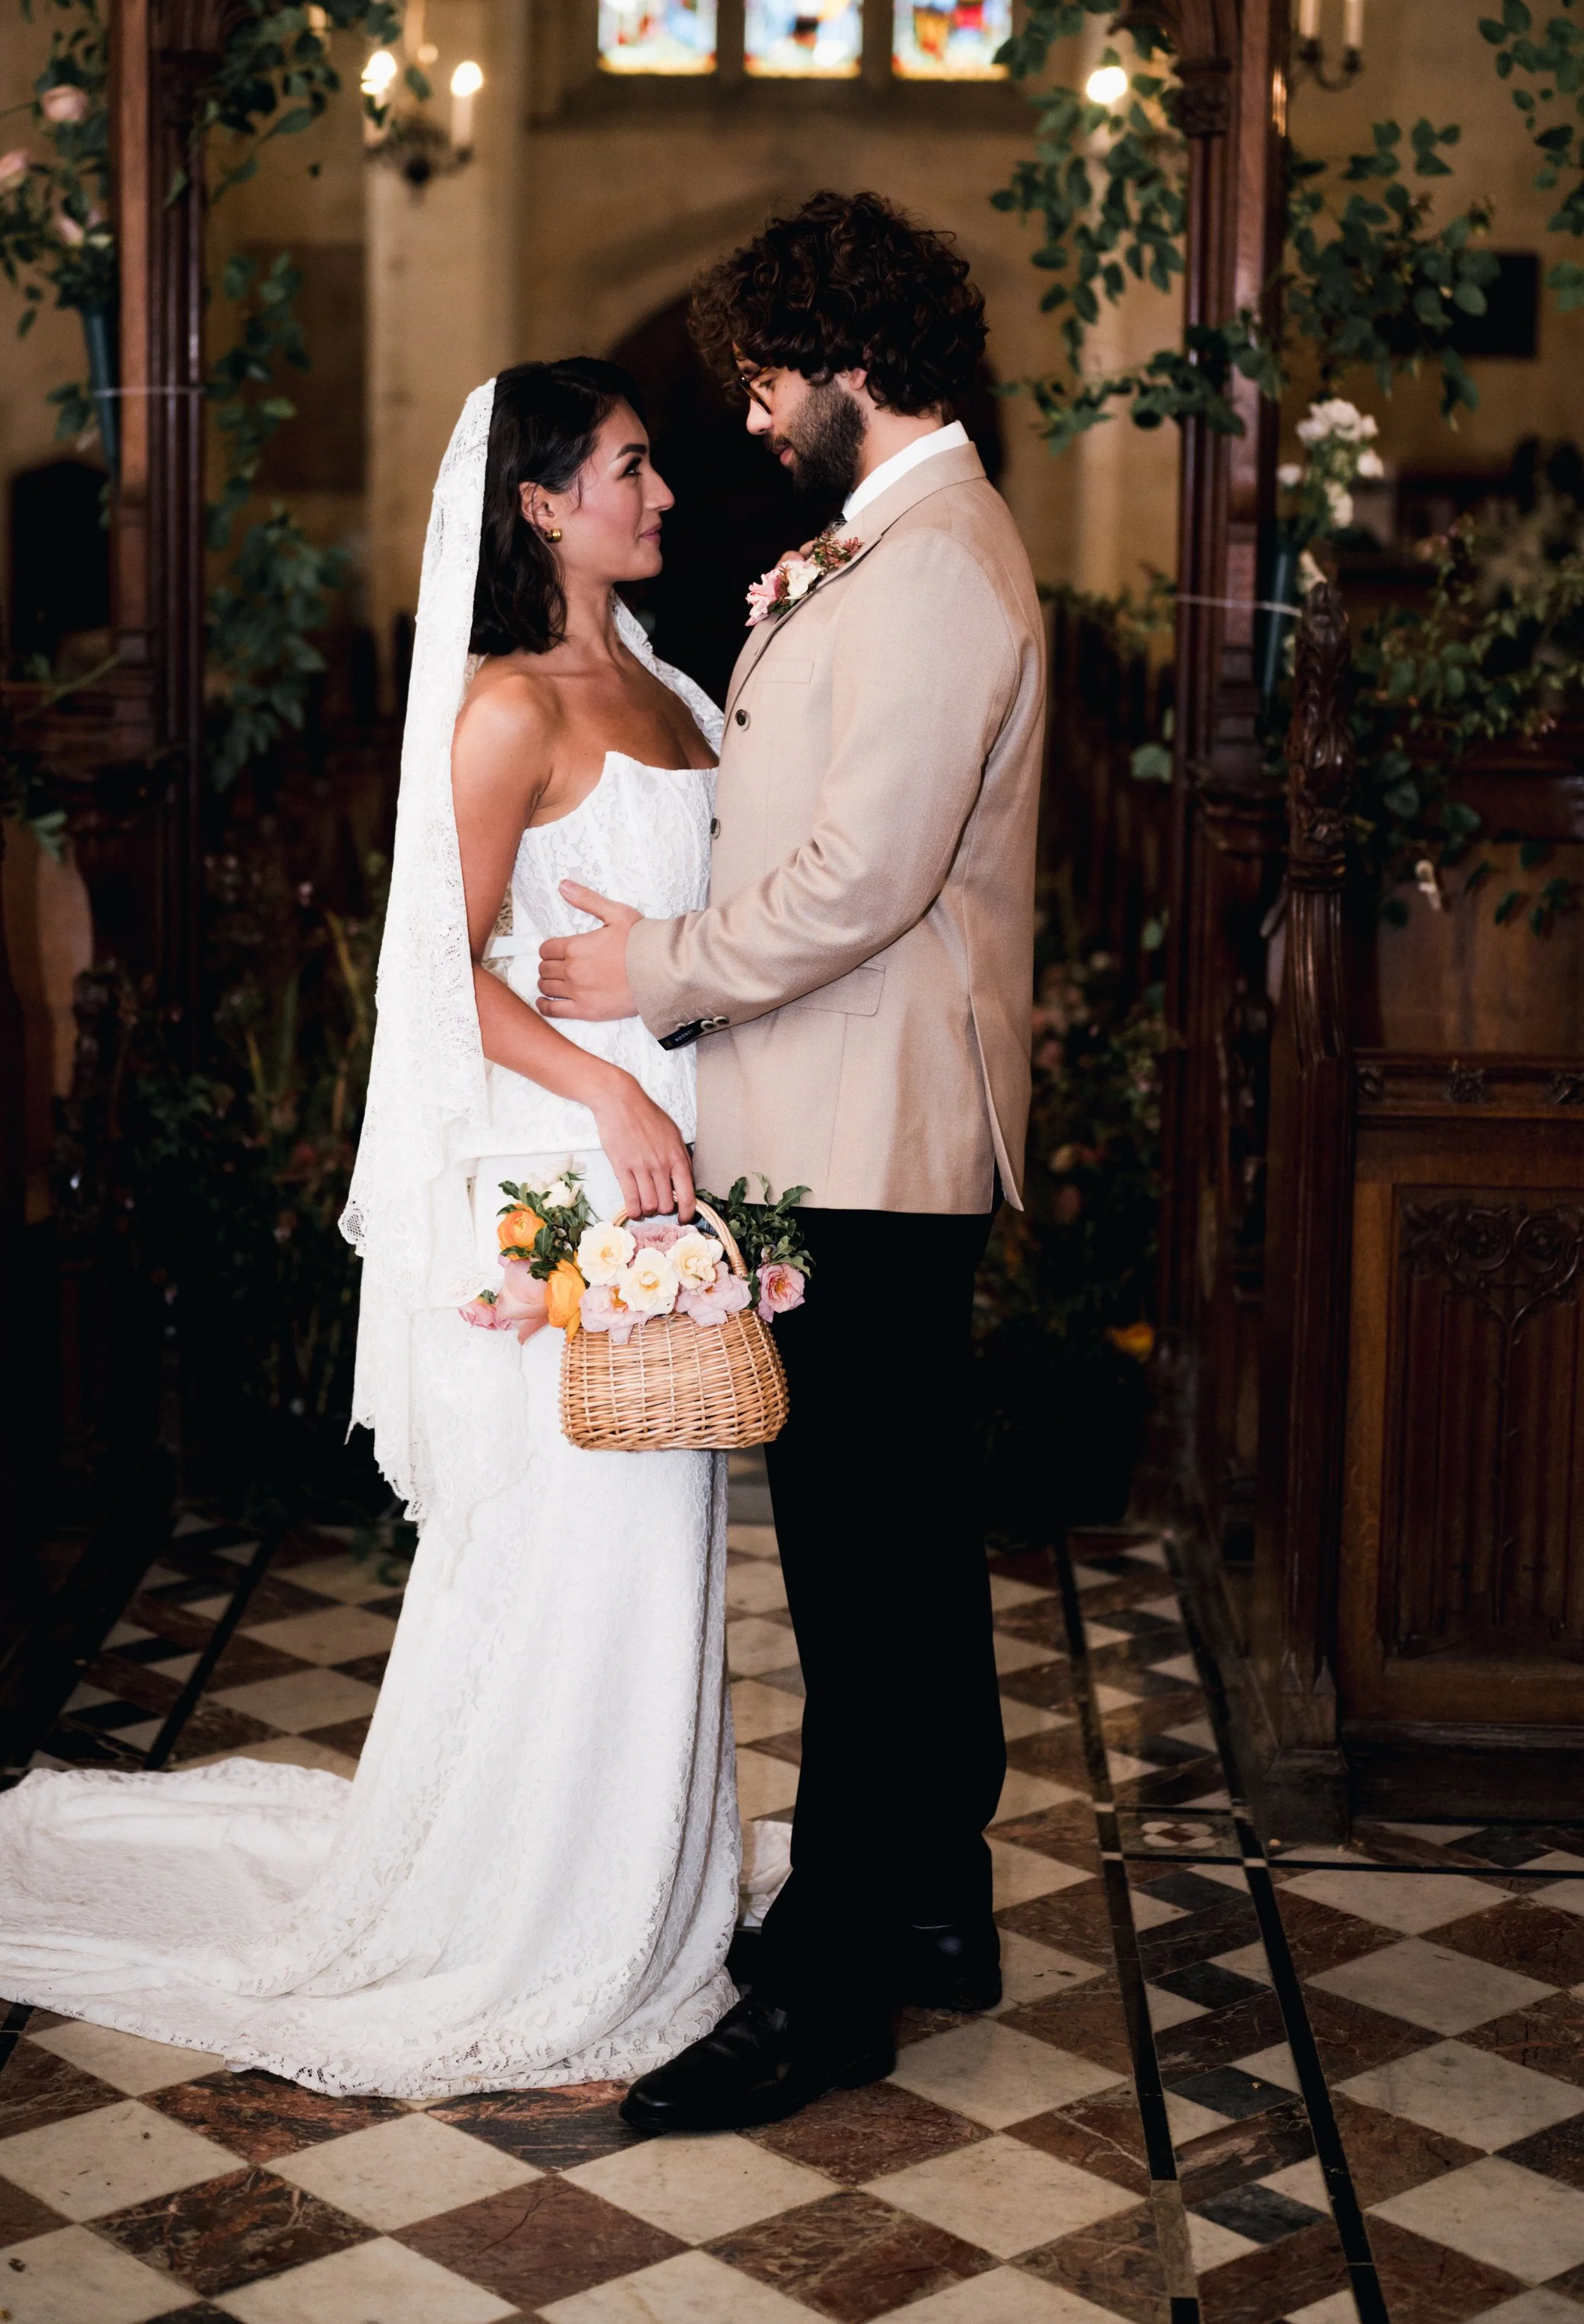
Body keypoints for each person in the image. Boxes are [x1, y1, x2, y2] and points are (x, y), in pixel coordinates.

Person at [0, 360, 742, 2100]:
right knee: (577, 1546)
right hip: (573, 1166)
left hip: (676, 1167)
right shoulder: (505, 710)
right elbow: (440, 976)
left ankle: (650, 1887)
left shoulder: (665, 682)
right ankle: (524, 1916)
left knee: (668, 1539)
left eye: (650, 468)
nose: (659, 496)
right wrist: (615, 1096)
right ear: (542, 505)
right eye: (630, 470)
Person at [537, 190, 1047, 2132]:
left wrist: (648, 969)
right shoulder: (902, 540)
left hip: (862, 1133)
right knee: (900, 1541)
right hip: (852, 1119)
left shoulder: (934, 572)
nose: (750, 423)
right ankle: (926, 1905)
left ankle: (828, 1988)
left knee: (857, 1570)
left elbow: (858, 878)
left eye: (763, 386)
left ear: (848, 371)